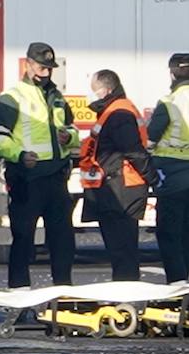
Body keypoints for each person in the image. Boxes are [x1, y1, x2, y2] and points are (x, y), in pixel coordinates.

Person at [0, 42, 80, 288]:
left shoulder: (57, 97)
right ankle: (19, 299)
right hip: (26, 178)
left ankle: (63, 294)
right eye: (41, 67)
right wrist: (19, 155)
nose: (46, 73)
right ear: (28, 64)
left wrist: (69, 137)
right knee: (23, 241)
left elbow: (72, 128)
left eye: (49, 68)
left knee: (63, 241)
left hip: (55, 178)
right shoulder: (11, 98)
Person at [79, 70, 151, 281]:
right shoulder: (114, 110)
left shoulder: (119, 113)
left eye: (93, 91)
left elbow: (133, 150)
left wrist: (152, 176)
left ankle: (126, 295)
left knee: (122, 249)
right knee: (120, 249)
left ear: (106, 90)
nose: (90, 96)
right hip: (117, 186)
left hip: (121, 189)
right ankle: (125, 291)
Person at [148, 53, 189, 282]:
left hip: (173, 175)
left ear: (172, 73)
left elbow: (151, 140)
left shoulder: (169, 101)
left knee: (169, 232)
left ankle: (178, 284)